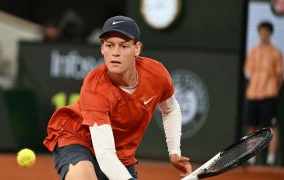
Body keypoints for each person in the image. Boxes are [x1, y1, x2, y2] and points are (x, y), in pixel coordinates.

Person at [43, 15, 192, 180]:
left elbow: (170, 108)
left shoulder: (156, 74)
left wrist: (174, 151)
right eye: (109, 45)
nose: (115, 53)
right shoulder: (95, 87)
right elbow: (106, 155)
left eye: (124, 46)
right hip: (78, 139)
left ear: (137, 48)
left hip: (121, 154)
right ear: (102, 48)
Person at [245, 21, 283, 166]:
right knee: (252, 126)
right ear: (259, 33)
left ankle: (271, 158)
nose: (264, 34)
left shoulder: (275, 52)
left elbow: (279, 76)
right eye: (262, 31)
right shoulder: (253, 51)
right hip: (253, 95)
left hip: (269, 95)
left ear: (270, 34)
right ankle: (250, 156)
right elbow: (249, 72)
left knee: (272, 128)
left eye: (267, 32)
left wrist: (272, 90)